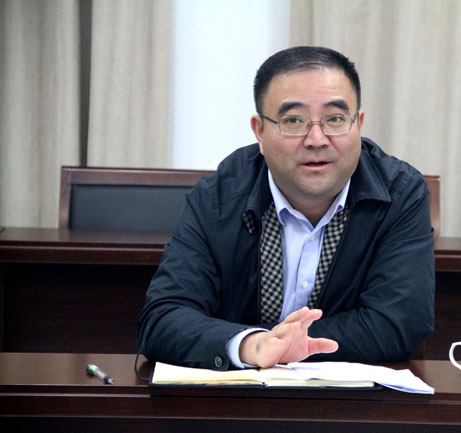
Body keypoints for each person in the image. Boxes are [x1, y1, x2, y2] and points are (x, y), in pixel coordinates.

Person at [136, 46, 435, 371]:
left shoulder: (400, 195)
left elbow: (398, 324)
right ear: (260, 132)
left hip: (348, 399)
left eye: (335, 119)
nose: (317, 139)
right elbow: (163, 319)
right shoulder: (217, 199)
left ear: (358, 124)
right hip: (236, 397)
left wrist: (285, 347)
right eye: (293, 121)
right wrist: (252, 345)